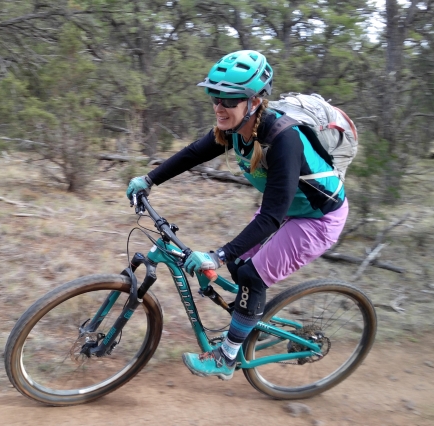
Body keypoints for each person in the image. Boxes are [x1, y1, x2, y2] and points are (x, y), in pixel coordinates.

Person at [126, 50, 349, 380]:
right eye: (214, 97)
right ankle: (247, 317)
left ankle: (227, 356)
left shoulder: (284, 139)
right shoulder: (235, 129)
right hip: (286, 207)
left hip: (316, 219)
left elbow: (271, 217)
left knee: (251, 276)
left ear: (255, 100)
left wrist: (216, 256)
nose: (219, 107)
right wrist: (149, 179)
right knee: (237, 263)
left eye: (228, 100)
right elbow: (194, 153)